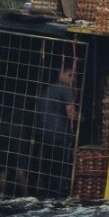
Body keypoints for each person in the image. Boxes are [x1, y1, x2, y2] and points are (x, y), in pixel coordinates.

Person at [36, 66, 77, 197]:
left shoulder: (48, 89)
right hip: (59, 134)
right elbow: (71, 114)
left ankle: (48, 194)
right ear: (61, 73)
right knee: (61, 167)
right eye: (70, 75)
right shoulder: (65, 89)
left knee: (49, 166)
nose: (73, 79)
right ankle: (58, 196)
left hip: (45, 133)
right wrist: (81, 116)